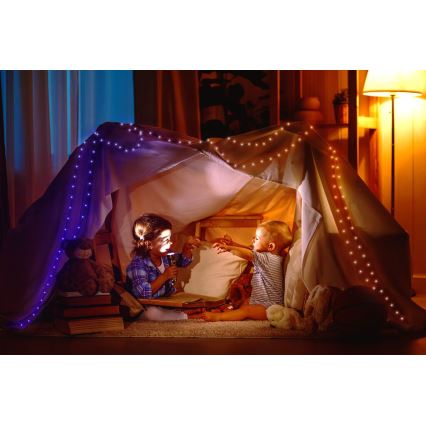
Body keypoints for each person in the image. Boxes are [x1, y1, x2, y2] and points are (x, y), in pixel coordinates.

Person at [202, 220, 292, 321]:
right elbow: (250, 249)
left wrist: (229, 248)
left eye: (257, 238)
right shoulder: (274, 257)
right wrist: (233, 243)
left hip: (269, 309)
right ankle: (232, 313)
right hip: (261, 302)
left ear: (270, 246)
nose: (253, 240)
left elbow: (249, 254)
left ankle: (219, 317)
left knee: (246, 310)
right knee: (245, 302)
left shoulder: (267, 259)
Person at [126, 213, 200, 321]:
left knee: (187, 304)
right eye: (165, 240)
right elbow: (142, 293)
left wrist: (186, 248)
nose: (170, 243)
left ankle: (182, 313)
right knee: (152, 313)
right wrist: (164, 276)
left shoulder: (166, 255)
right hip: (142, 306)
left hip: (163, 302)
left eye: (169, 238)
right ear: (149, 244)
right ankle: (185, 316)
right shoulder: (138, 263)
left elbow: (183, 261)